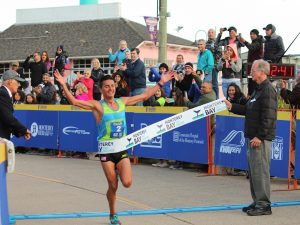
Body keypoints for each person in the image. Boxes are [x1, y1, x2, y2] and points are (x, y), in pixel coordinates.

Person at [54, 69, 174, 225]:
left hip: (121, 149)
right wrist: (64, 84)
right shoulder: (98, 106)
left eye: (112, 85)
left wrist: (161, 82)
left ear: (115, 87)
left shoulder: (122, 101)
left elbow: (144, 96)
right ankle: (113, 213)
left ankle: (118, 172)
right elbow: (75, 102)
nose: (110, 88)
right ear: (101, 89)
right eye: (106, 86)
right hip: (106, 152)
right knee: (113, 186)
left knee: (127, 183)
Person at [224, 59, 277, 216]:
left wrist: (260, 136)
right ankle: (257, 201)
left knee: (260, 171)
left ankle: (264, 204)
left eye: (253, 70)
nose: (250, 72)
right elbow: (249, 109)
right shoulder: (258, 89)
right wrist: (231, 106)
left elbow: (269, 116)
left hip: (259, 138)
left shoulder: (267, 90)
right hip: (252, 137)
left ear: (261, 71)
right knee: (254, 172)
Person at [0, 70, 31, 140]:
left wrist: (22, 132)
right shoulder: (2, 94)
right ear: (10, 81)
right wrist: (24, 130)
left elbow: (5, 120)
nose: (19, 85)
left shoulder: (5, 94)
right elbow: (8, 118)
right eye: (17, 82)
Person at [239, 29, 264, 96]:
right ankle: (250, 97)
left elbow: (252, 47)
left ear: (257, 35)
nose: (251, 35)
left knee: (254, 84)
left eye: (253, 34)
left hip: (257, 67)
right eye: (250, 34)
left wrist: (244, 41)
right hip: (251, 66)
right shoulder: (254, 42)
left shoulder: (258, 42)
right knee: (250, 83)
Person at [206, 28, 222, 97]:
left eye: (212, 32)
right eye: (209, 32)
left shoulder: (217, 42)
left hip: (214, 66)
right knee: (207, 83)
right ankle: (210, 98)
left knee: (214, 83)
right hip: (206, 67)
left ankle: (216, 99)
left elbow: (220, 53)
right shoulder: (205, 43)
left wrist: (211, 60)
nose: (210, 34)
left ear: (214, 34)